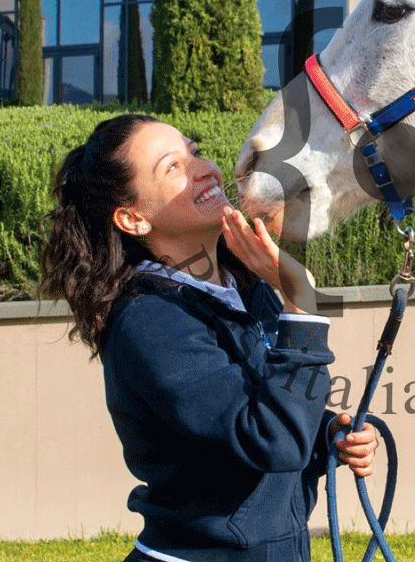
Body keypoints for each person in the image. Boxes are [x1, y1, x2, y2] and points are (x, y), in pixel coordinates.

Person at [40, 113, 378, 562]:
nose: (205, 169)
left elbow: (265, 416)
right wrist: (301, 302)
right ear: (133, 219)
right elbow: (271, 439)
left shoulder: (248, 287)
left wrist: (327, 434)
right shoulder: (149, 321)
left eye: (194, 151)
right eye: (172, 167)